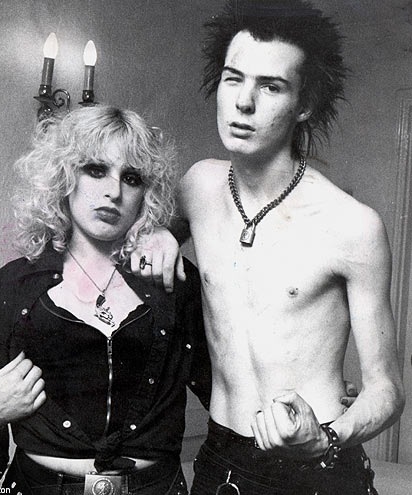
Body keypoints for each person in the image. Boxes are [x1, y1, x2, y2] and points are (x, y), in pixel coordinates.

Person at [130, 1, 405, 493]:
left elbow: (387, 389)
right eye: (233, 79)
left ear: (305, 104)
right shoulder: (197, 186)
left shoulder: (352, 225)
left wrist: (325, 439)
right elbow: (136, 238)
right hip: (219, 455)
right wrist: (159, 233)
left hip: (316, 464)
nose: (243, 102)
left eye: (271, 86)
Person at [0, 106, 211, 495]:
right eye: (96, 170)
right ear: (64, 176)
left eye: (131, 178)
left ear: (146, 194)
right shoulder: (9, 289)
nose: (113, 192)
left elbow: (224, 396)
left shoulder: (176, 283)